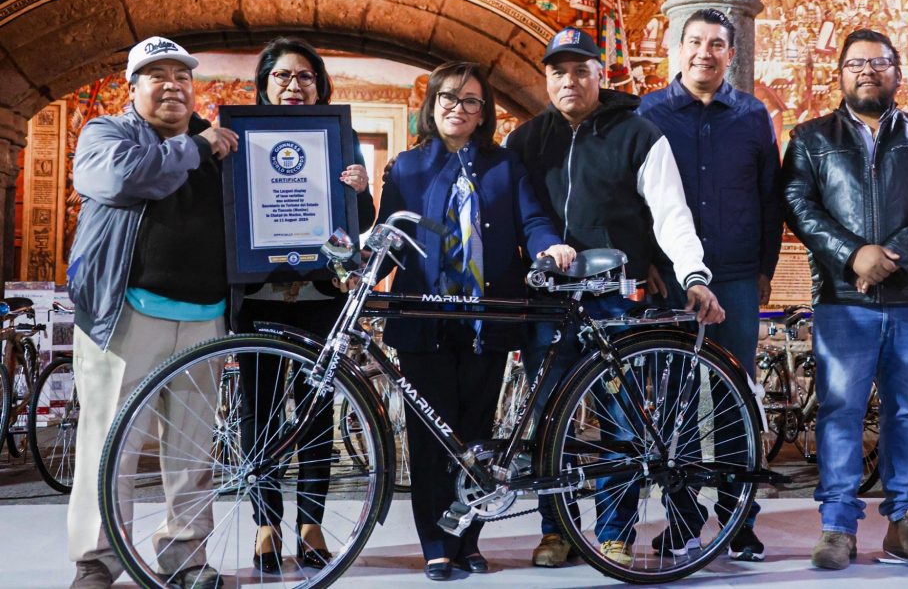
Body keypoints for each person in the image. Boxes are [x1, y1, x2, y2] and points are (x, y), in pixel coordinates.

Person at [505, 26, 724, 568]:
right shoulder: (525, 141)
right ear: (546, 79)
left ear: (600, 75)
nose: (569, 81)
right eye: (558, 71)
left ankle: (615, 532)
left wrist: (693, 275)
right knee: (549, 418)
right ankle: (556, 530)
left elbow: (672, 215)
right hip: (548, 303)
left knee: (621, 420)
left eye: (581, 71)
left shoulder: (639, 134)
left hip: (616, 300)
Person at [376, 61, 575, 581]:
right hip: (424, 319)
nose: (457, 108)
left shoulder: (504, 166)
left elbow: (532, 221)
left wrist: (549, 246)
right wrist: (363, 265)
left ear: (483, 112)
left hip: (488, 319)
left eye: (470, 100)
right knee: (430, 437)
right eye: (448, 97)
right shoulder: (406, 168)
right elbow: (389, 235)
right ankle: (436, 544)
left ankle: (467, 540)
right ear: (432, 103)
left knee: (476, 438)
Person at [782, 29, 908, 571]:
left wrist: (891, 256)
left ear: (897, 73)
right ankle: (838, 527)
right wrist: (853, 255)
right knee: (840, 410)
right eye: (856, 63)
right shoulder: (811, 137)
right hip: (842, 298)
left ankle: (907, 524)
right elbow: (798, 204)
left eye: (879, 62)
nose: (868, 71)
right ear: (839, 74)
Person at [65, 36, 239, 589]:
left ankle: (186, 557)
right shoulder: (107, 134)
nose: (173, 86)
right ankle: (96, 561)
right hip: (125, 315)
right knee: (110, 444)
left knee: (192, 450)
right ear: (132, 87)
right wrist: (196, 147)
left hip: (205, 315)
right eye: (157, 75)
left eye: (182, 76)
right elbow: (122, 179)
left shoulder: (219, 144)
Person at [637, 8, 783, 562]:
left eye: (717, 44)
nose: (705, 52)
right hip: (672, 281)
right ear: (679, 49)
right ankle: (681, 519)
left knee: (735, 399)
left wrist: (765, 268)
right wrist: (646, 261)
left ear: (731, 54)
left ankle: (738, 519)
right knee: (671, 403)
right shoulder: (650, 111)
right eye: (695, 41)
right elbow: (635, 195)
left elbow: (770, 196)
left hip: (738, 276)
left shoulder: (752, 115)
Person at [235, 36, 376, 573]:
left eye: (305, 76)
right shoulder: (241, 137)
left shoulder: (339, 136)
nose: (294, 85)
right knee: (261, 414)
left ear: (320, 85)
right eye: (283, 76)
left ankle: (311, 523)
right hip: (260, 301)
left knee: (316, 411)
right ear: (264, 85)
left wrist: (360, 190)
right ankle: (266, 524)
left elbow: (359, 221)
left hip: (319, 299)